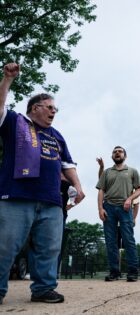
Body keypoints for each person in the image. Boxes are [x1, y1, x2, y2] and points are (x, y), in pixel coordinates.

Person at [0, 63, 85, 304]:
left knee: (49, 248)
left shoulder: (57, 135)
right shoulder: (15, 122)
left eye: (55, 108)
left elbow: (67, 164)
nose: (54, 112)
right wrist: (7, 80)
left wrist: (77, 187)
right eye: (50, 107)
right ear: (35, 108)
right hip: (17, 197)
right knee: (5, 246)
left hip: (51, 201)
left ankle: (43, 289)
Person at [96, 146, 140, 282]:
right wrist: (100, 208)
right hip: (108, 207)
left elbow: (139, 190)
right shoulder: (107, 172)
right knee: (110, 242)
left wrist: (129, 199)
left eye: (120, 151)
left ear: (125, 156)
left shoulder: (132, 171)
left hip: (125, 208)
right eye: (115, 151)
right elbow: (101, 191)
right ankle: (114, 272)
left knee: (128, 240)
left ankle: (133, 272)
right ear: (112, 156)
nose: (117, 153)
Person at [97, 157, 140, 226]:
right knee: (112, 235)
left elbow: (136, 205)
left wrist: (133, 218)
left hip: (125, 213)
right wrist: (101, 167)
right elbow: (101, 180)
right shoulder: (109, 186)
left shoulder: (132, 191)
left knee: (126, 235)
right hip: (110, 210)